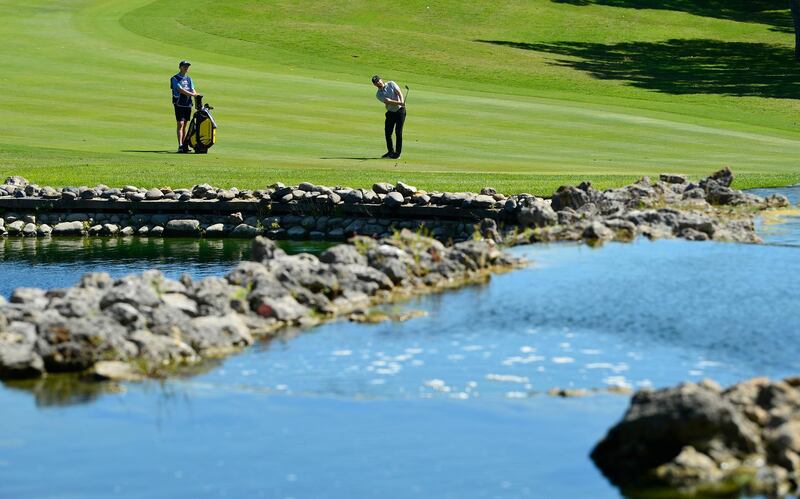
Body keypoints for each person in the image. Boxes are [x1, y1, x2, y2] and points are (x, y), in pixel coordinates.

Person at [372, 75, 406, 159]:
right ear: (375, 85)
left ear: (381, 80)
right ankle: (390, 152)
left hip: (400, 111)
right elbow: (388, 102)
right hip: (390, 112)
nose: (378, 83)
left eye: (379, 81)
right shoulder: (378, 94)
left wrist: (402, 101)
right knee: (388, 132)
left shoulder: (391, 83)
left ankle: (397, 154)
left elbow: (399, 92)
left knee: (398, 132)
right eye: (376, 83)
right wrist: (399, 103)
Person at [171, 60, 199, 153]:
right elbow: (180, 89)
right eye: (184, 66)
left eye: (187, 66)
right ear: (180, 67)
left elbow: (193, 89)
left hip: (187, 103)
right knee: (180, 124)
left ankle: (184, 145)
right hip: (179, 103)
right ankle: (180, 145)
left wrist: (195, 94)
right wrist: (192, 94)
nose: (186, 68)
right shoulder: (174, 78)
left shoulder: (189, 79)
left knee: (185, 124)